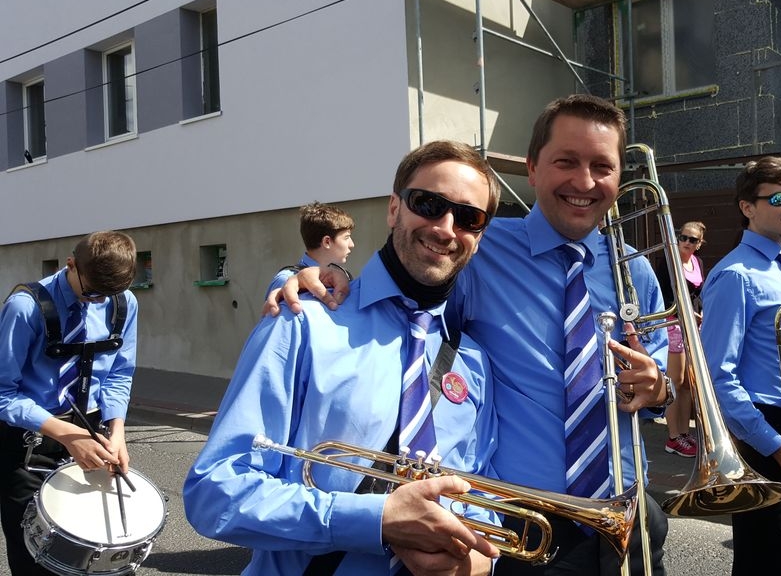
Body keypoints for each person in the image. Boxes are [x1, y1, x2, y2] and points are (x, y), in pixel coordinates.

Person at [272, 94, 673, 576]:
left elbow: (661, 381)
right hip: (525, 522)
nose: (584, 182)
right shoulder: (478, 243)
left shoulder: (635, 270)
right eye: (566, 161)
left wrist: (660, 387)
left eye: (602, 167)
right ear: (533, 167)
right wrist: (305, 276)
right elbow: (403, 295)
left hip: (629, 513)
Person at [184, 141, 503, 575]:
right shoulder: (302, 321)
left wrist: (475, 562)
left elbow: (481, 499)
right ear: (394, 209)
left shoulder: (473, 363)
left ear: (479, 237)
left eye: (469, 217)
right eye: (428, 204)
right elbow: (214, 492)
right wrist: (376, 521)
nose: (446, 228)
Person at [701, 157, 781, 576]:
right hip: (767, 428)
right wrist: (774, 445)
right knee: (772, 556)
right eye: (778, 197)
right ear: (747, 207)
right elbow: (718, 376)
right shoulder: (736, 275)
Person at [0, 231, 139, 576]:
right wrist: (65, 434)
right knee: (38, 559)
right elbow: (2, 393)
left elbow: (120, 374)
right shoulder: (25, 307)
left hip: (94, 431)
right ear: (71, 265)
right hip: (30, 441)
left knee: (98, 551)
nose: (96, 302)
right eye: (91, 291)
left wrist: (117, 430)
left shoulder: (125, 303)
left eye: (107, 295)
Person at [655, 221, 705, 458]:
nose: (685, 242)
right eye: (682, 237)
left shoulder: (698, 263)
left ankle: (684, 433)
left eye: (692, 239)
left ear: (699, 244)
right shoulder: (669, 261)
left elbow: (696, 295)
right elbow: (665, 298)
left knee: (687, 384)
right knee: (675, 381)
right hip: (673, 325)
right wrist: (686, 313)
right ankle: (673, 436)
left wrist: (699, 313)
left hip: (691, 328)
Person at [264, 201, 355, 298]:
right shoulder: (287, 281)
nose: (352, 244)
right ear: (327, 242)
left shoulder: (343, 276)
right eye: (346, 237)